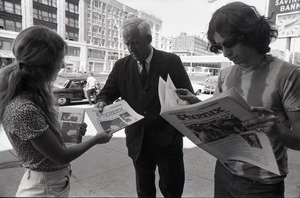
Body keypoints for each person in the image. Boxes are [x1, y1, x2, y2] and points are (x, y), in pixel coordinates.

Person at [176, 2, 300, 198]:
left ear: (249, 34)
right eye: (219, 46)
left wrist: (277, 130)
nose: (225, 53)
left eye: (229, 43)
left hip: (262, 184)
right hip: (225, 172)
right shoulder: (225, 75)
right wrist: (196, 104)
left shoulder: (289, 75)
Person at [0, 26, 112, 197]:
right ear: (46, 64)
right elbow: (60, 156)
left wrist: (70, 134)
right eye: (60, 58)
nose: (63, 64)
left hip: (50, 184)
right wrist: (96, 139)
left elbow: (46, 147)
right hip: (44, 189)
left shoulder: (31, 98)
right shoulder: (24, 108)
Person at [95, 17, 194, 198]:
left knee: (172, 189)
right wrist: (102, 101)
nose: (131, 49)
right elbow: (107, 92)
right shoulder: (121, 66)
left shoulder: (171, 62)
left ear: (148, 39)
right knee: (144, 191)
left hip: (168, 141)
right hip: (138, 142)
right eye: (127, 44)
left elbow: (188, 95)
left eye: (135, 43)